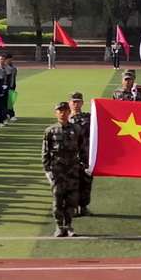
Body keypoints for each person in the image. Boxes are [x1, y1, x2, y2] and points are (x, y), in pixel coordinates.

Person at [42, 101, 85, 237]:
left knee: (72, 200)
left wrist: (84, 165)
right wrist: (47, 170)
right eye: (60, 111)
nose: (62, 113)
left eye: (65, 110)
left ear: (69, 112)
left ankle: (69, 225)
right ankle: (59, 226)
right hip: (57, 171)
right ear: (56, 113)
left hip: (72, 169)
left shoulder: (76, 129)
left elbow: (82, 148)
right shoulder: (50, 131)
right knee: (58, 200)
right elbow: (45, 152)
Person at [68, 92, 93, 216]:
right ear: (69, 103)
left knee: (86, 182)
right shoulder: (65, 118)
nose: (76, 104)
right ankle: (72, 207)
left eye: (78, 101)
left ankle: (83, 207)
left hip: (85, 155)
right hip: (70, 157)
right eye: (73, 102)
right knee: (72, 183)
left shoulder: (88, 117)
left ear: (82, 103)